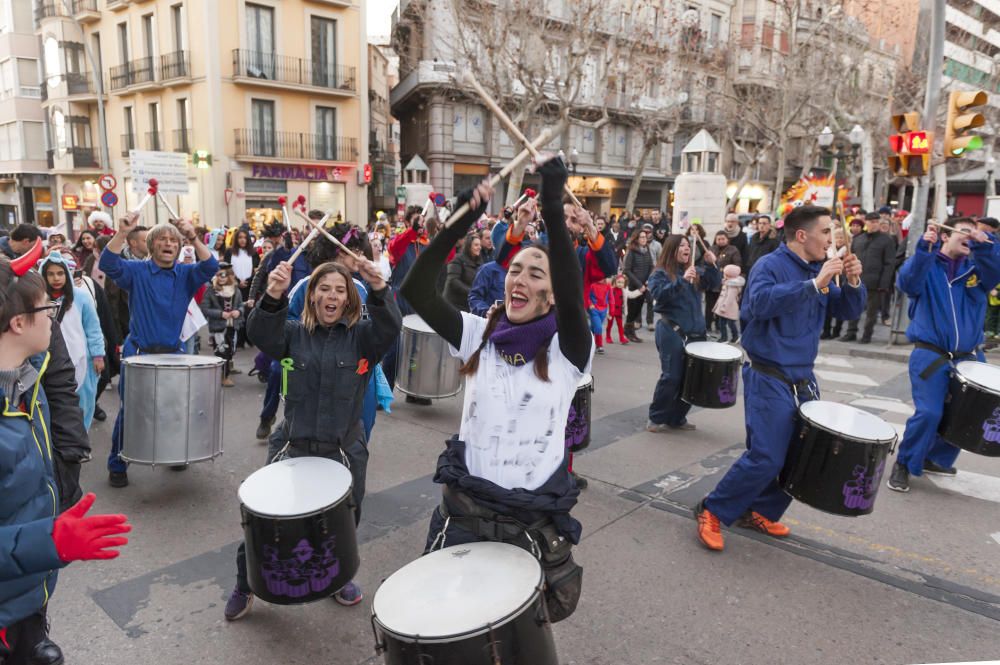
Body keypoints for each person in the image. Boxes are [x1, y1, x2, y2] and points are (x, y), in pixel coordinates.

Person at [400, 157, 589, 623]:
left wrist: (550, 199)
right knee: (447, 626)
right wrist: (461, 218)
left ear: (551, 295)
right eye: (515, 269)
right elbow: (417, 290)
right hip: (465, 513)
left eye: (534, 274)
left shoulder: (568, 352)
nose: (519, 279)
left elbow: (571, 284)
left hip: (529, 522)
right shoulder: (477, 333)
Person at [225, 258, 401, 620]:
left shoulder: (364, 338)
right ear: (311, 296)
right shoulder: (292, 333)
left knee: (343, 523)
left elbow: (391, 326)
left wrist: (380, 288)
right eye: (324, 288)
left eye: (340, 289)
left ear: (349, 298)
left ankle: (336, 579)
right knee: (264, 520)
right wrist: (273, 293)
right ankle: (245, 583)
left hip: (344, 451)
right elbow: (259, 332)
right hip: (293, 446)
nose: (331, 295)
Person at [694, 205, 865, 551]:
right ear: (802, 236)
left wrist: (852, 281)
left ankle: (760, 509)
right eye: (825, 233)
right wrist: (813, 285)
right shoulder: (770, 265)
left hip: (804, 378)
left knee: (801, 457)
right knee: (766, 455)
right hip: (768, 374)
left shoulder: (820, 267)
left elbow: (848, 311)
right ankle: (713, 508)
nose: (831, 240)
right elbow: (756, 305)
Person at [0, 256, 130, 665]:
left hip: (22, 590)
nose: (54, 319)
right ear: (19, 322)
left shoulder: (25, 381)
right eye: (46, 309)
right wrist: (49, 541)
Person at [99, 213, 219, 488]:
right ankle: (117, 463)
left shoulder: (187, 274)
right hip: (138, 353)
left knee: (175, 408)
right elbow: (108, 263)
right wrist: (121, 232)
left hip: (173, 353)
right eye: (162, 240)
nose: (168, 244)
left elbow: (210, 265)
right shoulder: (136, 271)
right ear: (152, 246)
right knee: (131, 409)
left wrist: (192, 236)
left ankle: (174, 453)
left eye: (173, 241)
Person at [887, 218, 1000, 492]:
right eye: (964, 231)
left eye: (974, 232)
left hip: (969, 357)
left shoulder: (976, 270)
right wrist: (924, 249)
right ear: (946, 236)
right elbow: (907, 282)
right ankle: (904, 462)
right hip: (931, 354)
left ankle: (935, 458)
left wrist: (984, 247)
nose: (970, 236)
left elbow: (995, 273)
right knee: (928, 413)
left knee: (967, 415)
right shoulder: (928, 266)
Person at [645, 234, 720, 433]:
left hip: (696, 334)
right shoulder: (660, 273)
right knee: (672, 377)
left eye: (688, 245)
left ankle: (677, 417)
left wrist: (712, 265)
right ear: (672, 249)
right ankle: (656, 417)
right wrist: (682, 281)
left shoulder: (694, 271)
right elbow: (659, 296)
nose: (687, 248)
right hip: (672, 331)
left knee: (692, 380)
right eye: (682, 245)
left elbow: (714, 284)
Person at [38, 253, 106, 429]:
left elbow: (93, 328)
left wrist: (98, 355)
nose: (56, 278)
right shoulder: (37, 298)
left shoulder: (81, 297)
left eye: (60, 273)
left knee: (83, 403)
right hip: (47, 360)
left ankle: (81, 442)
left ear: (66, 273)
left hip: (81, 359)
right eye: (51, 274)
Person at [840, 213, 896, 343]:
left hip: (875, 282)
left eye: (876, 221)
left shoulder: (886, 240)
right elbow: (850, 258)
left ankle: (867, 335)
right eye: (871, 221)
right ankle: (851, 332)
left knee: (871, 312)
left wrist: (884, 284)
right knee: (854, 307)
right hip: (857, 279)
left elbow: (889, 264)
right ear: (866, 223)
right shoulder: (859, 239)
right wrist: (847, 277)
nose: (874, 224)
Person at [200, 263, 244, 387]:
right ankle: (223, 377)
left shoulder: (236, 290)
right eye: (219, 275)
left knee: (231, 350)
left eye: (224, 275)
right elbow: (205, 308)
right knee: (221, 352)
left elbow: (241, 305)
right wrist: (220, 314)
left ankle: (228, 367)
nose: (221, 278)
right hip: (218, 328)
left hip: (232, 326)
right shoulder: (211, 291)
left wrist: (238, 311)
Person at [706, 230, 742, 334]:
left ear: (727, 239)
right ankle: (707, 325)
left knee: (721, 305)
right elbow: (706, 263)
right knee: (709, 305)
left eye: (723, 239)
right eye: (718, 239)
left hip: (725, 282)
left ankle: (718, 326)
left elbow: (737, 264)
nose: (720, 241)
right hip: (711, 281)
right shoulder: (711, 249)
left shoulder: (733, 250)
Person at [623, 230, 653, 342]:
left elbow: (651, 265)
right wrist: (639, 285)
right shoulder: (631, 251)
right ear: (636, 239)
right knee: (632, 310)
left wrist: (648, 280)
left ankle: (631, 332)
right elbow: (627, 270)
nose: (644, 239)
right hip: (634, 286)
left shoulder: (647, 250)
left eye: (645, 237)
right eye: (641, 237)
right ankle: (628, 331)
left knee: (638, 309)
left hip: (644, 286)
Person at [821, 228, 850, 340]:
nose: (839, 239)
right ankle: (826, 330)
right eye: (837, 237)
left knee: (840, 304)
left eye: (841, 237)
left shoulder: (847, 251)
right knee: (827, 304)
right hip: (829, 279)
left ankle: (837, 330)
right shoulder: (828, 251)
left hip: (842, 279)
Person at [443, 232, 483, 312]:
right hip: (453, 303)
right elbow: (453, 280)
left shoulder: (480, 262)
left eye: (480, 245)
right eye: (476, 245)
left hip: (467, 304)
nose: (479, 247)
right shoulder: (457, 259)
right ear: (469, 246)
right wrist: (471, 292)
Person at [713, 264, 744, 343]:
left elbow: (730, 298)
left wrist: (724, 307)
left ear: (729, 275)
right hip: (727, 307)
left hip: (728, 308)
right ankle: (733, 337)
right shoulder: (728, 283)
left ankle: (726, 337)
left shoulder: (732, 286)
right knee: (727, 323)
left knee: (727, 323)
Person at [588, 276, 611, 355]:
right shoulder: (592, 285)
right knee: (598, 327)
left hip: (603, 310)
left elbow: (611, 298)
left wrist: (612, 310)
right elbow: (586, 295)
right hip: (594, 309)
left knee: (594, 327)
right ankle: (599, 346)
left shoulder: (608, 286)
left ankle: (586, 340)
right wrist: (590, 304)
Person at [606, 274, 628, 345]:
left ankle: (622, 338)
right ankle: (608, 336)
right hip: (611, 311)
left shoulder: (624, 291)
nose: (620, 284)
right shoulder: (611, 290)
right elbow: (606, 299)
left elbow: (631, 295)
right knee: (609, 325)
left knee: (620, 325)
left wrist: (640, 291)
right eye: (618, 282)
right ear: (614, 282)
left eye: (622, 283)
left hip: (619, 312)